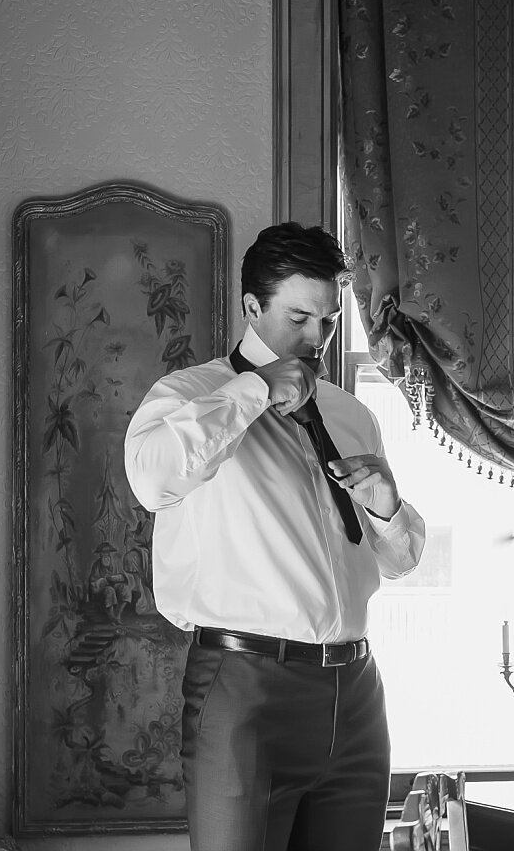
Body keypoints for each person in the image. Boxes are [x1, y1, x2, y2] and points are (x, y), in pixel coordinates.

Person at [125, 222, 426, 851]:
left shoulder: (351, 416)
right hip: (245, 691)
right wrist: (257, 389)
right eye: (299, 317)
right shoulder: (190, 397)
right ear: (252, 308)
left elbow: (398, 562)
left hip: (357, 696)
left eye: (330, 320)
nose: (317, 338)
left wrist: (386, 507)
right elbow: (152, 480)